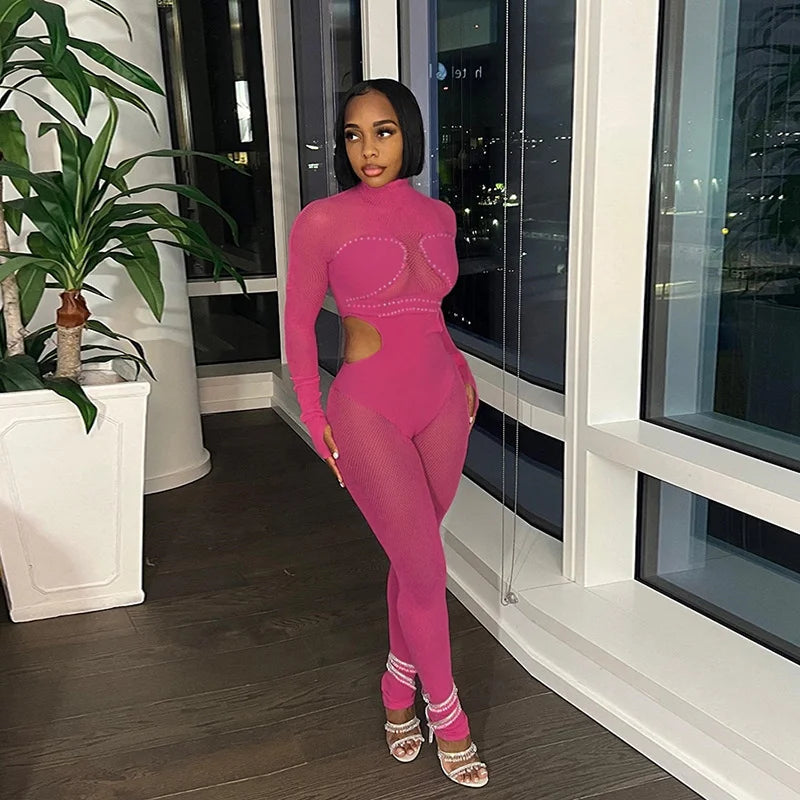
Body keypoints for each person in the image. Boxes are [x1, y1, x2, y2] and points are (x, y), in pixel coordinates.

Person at [284, 78, 489, 789]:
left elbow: (431, 312)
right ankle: (448, 715)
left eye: (383, 131)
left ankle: (398, 680)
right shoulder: (321, 221)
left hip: (444, 401)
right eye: (353, 135)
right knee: (428, 569)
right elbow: (298, 327)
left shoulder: (440, 214)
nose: (367, 149)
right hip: (367, 409)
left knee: (414, 559)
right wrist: (314, 416)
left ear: (408, 135)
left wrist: (461, 368)